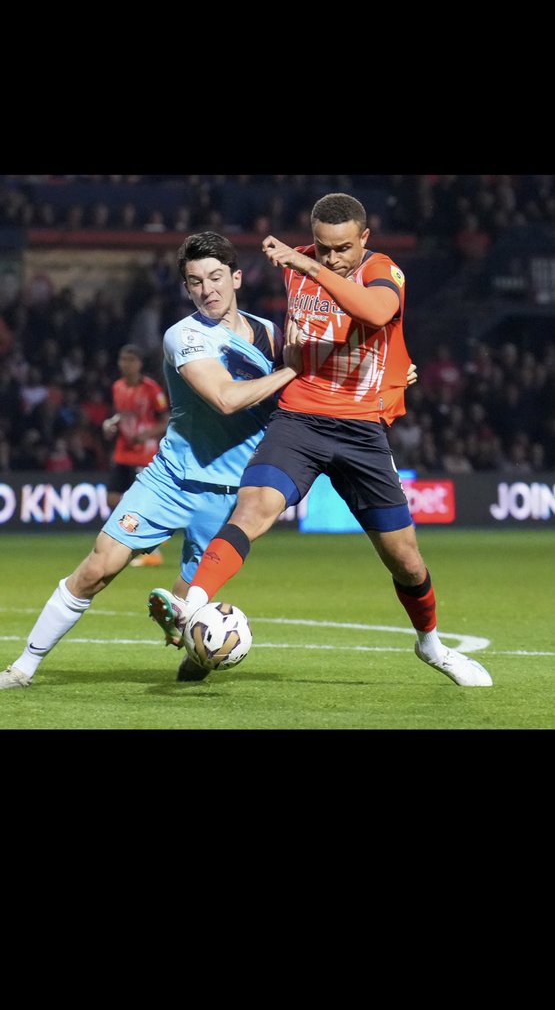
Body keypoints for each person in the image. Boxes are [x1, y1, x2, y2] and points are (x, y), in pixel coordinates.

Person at [150, 193, 493, 689]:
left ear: (364, 239)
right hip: (301, 419)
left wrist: (311, 271)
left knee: (405, 559)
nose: (331, 257)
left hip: (361, 431)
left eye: (342, 248)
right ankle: (191, 606)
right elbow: (302, 338)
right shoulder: (298, 265)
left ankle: (431, 645)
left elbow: (378, 313)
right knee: (252, 510)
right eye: (322, 248)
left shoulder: (381, 270)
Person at [0, 231, 305, 690]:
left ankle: (194, 656)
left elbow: (320, 383)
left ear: (237, 278)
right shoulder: (183, 336)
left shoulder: (272, 335)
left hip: (229, 496)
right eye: (196, 281)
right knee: (98, 567)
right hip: (170, 479)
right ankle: (22, 667)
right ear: (186, 287)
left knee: (189, 606)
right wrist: (292, 369)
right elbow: (225, 398)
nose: (208, 290)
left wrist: (390, 380)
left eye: (217, 277)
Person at [102, 342, 169, 567]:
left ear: (140, 364)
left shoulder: (152, 389)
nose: (126, 364)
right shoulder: (117, 387)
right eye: (123, 359)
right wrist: (110, 424)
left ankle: (151, 549)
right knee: (112, 498)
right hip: (123, 452)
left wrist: (147, 434)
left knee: (137, 503)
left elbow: (166, 420)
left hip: (144, 454)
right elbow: (121, 415)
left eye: (131, 360)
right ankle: (138, 535)